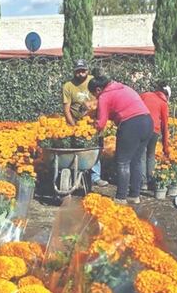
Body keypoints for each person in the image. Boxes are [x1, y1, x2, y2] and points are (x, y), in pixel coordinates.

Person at [88, 76, 152, 204]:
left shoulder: (104, 96)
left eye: (94, 94)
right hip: (147, 122)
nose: (95, 98)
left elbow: (101, 124)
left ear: (98, 89)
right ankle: (134, 195)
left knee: (122, 161)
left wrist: (90, 126)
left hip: (130, 125)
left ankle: (121, 197)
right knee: (136, 161)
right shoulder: (123, 87)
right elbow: (119, 109)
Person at [62, 59, 106, 187]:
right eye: (78, 71)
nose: (81, 73)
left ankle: (95, 177)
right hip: (76, 122)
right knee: (77, 150)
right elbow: (66, 109)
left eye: (83, 71)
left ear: (87, 70)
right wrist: (73, 126)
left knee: (96, 148)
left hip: (94, 122)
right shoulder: (68, 86)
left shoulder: (94, 81)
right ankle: (74, 174)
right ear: (74, 72)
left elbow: (103, 99)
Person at [139, 83, 172, 192]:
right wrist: (165, 146)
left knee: (141, 154)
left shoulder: (145, 95)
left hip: (141, 127)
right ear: (166, 95)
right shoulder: (163, 103)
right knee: (150, 154)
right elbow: (165, 125)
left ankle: (142, 183)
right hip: (154, 130)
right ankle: (151, 181)